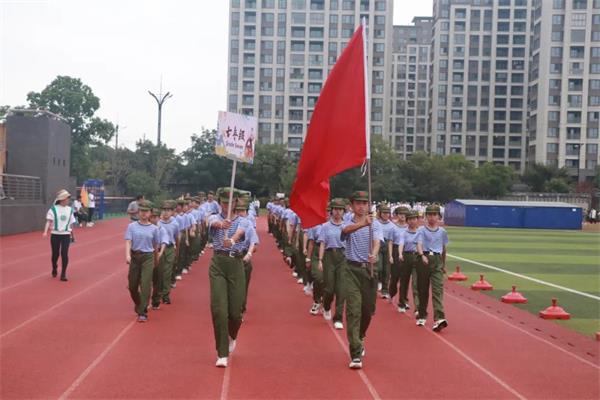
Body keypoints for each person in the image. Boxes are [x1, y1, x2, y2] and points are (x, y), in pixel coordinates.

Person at [208, 189, 250, 368]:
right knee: (219, 310)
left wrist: (231, 240)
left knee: (235, 312)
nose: (227, 205)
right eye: (224, 202)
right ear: (219, 202)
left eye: (230, 202)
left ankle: (232, 335)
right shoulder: (213, 217)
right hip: (218, 263)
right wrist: (220, 225)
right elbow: (212, 223)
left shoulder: (244, 221)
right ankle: (222, 352)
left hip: (236, 264)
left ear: (236, 202)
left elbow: (240, 233)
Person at [341, 191, 382, 369]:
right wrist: (361, 224)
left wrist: (374, 255)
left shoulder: (375, 224)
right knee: (353, 311)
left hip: (369, 271)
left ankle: (361, 336)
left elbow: (377, 242)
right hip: (351, 269)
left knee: (368, 310)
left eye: (364, 203)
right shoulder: (348, 220)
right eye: (358, 203)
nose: (361, 206)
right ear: (351, 205)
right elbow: (345, 231)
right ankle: (355, 352)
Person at [124, 200, 160, 322]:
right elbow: (128, 241)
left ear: (150, 213)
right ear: (138, 212)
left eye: (146, 211)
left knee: (145, 284)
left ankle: (143, 312)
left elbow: (155, 246)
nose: (144, 214)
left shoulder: (154, 229)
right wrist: (127, 255)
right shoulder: (132, 226)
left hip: (148, 257)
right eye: (142, 211)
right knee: (132, 286)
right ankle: (139, 303)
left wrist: (156, 260)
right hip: (135, 257)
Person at [416, 204, 449, 332]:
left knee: (437, 290)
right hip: (424, 259)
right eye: (429, 215)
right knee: (422, 289)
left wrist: (443, 265)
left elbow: (444, 249)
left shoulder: (442, 232)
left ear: (438, 217)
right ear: (426, 216)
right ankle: (422, 313)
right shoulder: (421, 230)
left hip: (437, 260)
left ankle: (439, 318)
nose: (432, 217)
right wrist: (421, 255)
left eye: (434, 215)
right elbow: (419, 244)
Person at [318, 198, 346, 330]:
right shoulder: (325, 226)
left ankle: (339, 317)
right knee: (329, 287)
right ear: (331, 211)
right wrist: (320, 260)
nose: (338, 212)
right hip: (329, 255)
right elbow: (322, 243)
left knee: (341, 289)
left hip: (343, 256)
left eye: (340, 210)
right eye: (335, 209)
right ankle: (327, 305)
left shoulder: (347, 226)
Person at [43, 189, 76, 281]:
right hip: (55, 234)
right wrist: (45, 232)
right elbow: (48, 221)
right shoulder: (53, 209)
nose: (68, 200)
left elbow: (71, 224)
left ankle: (63, 273)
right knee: (55, 254)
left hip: (66, 235)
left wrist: (73, 235)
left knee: (64, 253)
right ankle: (54, 267)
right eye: (67, 198)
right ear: (62, 199)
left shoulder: (70, 210)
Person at [395, 210, 421, 314]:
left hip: (417, 257)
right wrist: (400, 254)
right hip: (406, 256)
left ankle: (417, 307)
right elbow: (401, 244)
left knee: (416, 284)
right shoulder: (404, 233)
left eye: (414, 219)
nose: (412, 221)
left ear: (417, 220)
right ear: (407, 221)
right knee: (404, 281)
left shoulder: (421, 232)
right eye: (410, 219)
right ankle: (402, 302)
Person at [154, 200, 179, 306]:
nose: (165, 212)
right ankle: (157, 295)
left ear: (172, 212)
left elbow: (177, 238)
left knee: (167, 273)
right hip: (159, 249)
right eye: (164, 210)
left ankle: (166, 295)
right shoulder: (158, 223)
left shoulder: (175, 223)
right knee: (159, 273)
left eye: (168, 210)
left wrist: (177, 251)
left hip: (169, 249)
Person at [373, 203, 394, 299]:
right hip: (378, 245)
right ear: (380, 213)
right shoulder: (375, 223)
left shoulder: (392, 225)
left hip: (388, 246)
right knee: (379, 267)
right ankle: (378, 282)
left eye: (387, 213)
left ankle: (385, 290)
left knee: (387, 269)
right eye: (384, 213)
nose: (386, 215)